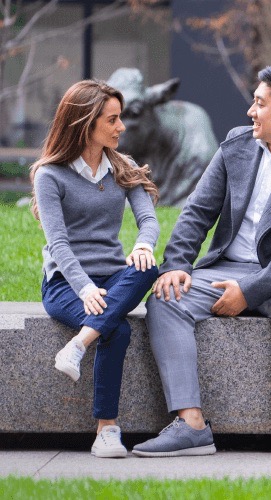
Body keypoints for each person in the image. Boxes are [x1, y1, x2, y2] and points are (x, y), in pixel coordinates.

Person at [132, 65, 271, 460]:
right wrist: (177, 264)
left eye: (260, 103)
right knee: (166, 297)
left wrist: (250, 291)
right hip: (225, 267)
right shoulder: (236, 145)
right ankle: (190, 424)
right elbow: (196, 212)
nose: (251, 111)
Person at [31, 79, 160, 458]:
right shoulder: (50, 175)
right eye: (113, 119)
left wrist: (142, 244)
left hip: (113, 278)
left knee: (149, 267)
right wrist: (85, 288)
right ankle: (107, 431)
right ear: (85, 123)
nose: (122, 127)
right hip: (66, 284)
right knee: (116, 329)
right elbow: (58, 244)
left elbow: (149, 221)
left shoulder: (123, 166)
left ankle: (78, 344)